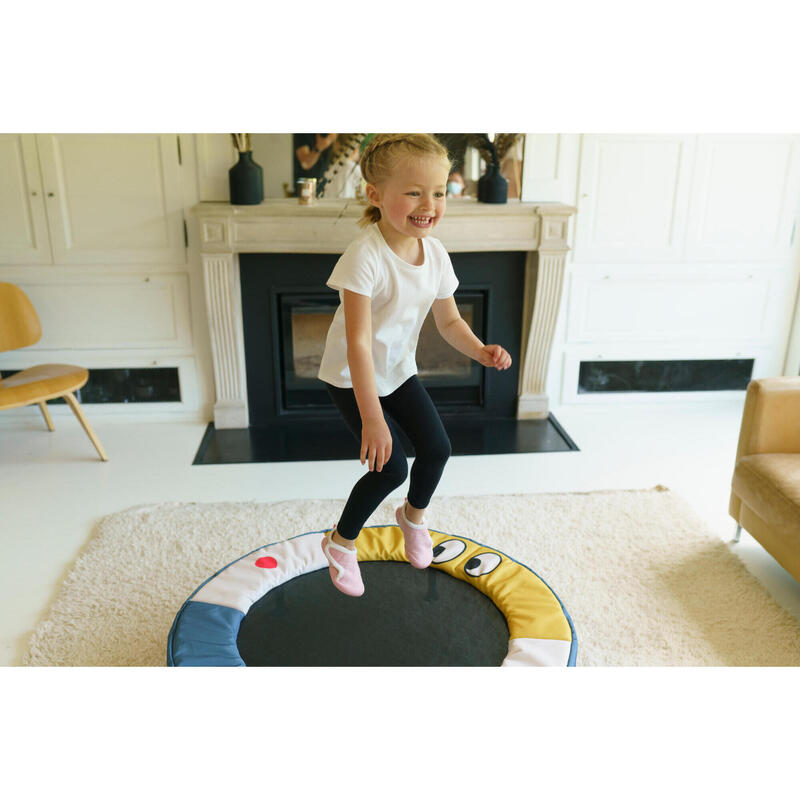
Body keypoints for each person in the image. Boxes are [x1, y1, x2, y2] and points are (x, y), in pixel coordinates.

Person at [317, 133, 512, 596]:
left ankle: (412, 517)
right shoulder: (364, 256)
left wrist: (480, 349)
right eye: (414, 192)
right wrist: (372, 419)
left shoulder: (436, 253)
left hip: (397, 369)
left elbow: (448, 322)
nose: (429, 203)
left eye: (439, 192)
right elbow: (358, 345)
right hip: (351, 377)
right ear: (376, 196)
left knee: (438, 448)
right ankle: (341, 543)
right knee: (389, 468)